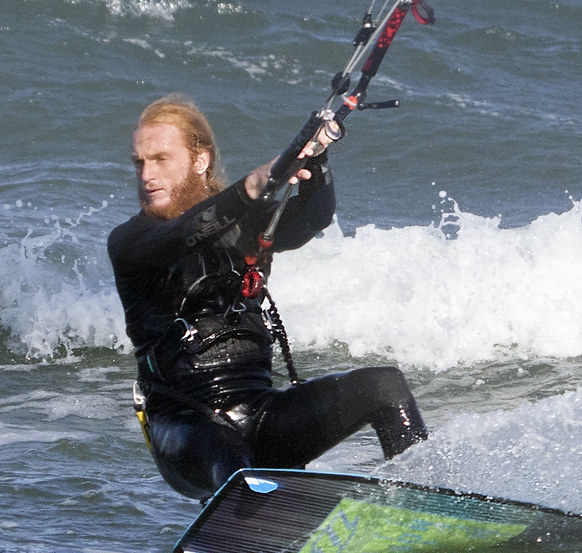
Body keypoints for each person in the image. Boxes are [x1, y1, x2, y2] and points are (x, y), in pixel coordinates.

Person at [108, 94, 427, 501]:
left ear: (200, 160)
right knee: (234, 458)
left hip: (261, 413)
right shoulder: (131, 241)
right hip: (186, 429)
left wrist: (314, 156)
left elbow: (312, 218)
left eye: (160, 160)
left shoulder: (249, 224)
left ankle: (420, 499)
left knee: (384, 386)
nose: (147, 174)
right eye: (140, 163)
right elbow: (184, 235)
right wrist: (254, 184)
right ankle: (260, 538)